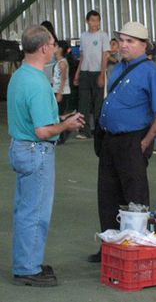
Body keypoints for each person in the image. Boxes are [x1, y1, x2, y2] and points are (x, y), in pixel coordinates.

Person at [7, 25, 85, 286]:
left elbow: (32, 119)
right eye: (52, 43)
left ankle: (26, 261)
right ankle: (27, 267)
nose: (55, 47)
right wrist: (67, 125)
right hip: (35, 150)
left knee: (25, 209)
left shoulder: (20, 76)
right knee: (36, 212)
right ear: (43, 48)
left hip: (20, 146)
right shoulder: (38, 83)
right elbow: (42, 131)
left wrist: (60, 118)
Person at [88, 22, 156, 262]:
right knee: (107, 195)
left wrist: (146, 142)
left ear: (144, 45)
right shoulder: (118, 68)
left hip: (133, 140)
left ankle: (134, 248)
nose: (123, 45)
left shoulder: (153, 72)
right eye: (121, 40)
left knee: (133, 197)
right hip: (110, 140)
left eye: (130, 41)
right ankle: (109, 247)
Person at [73, 10, 110, 139]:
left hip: (97, 72)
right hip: (85, 72)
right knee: (83, 102)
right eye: (92, 20)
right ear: (87, 21)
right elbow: (82, 56)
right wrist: (77, 73)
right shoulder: (83, 36)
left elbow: (105, 56)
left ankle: (99, 130)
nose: (95, 23)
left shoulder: (103, 36)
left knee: (98, 103)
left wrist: (102, 74)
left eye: (97, 20)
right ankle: (84, 131)